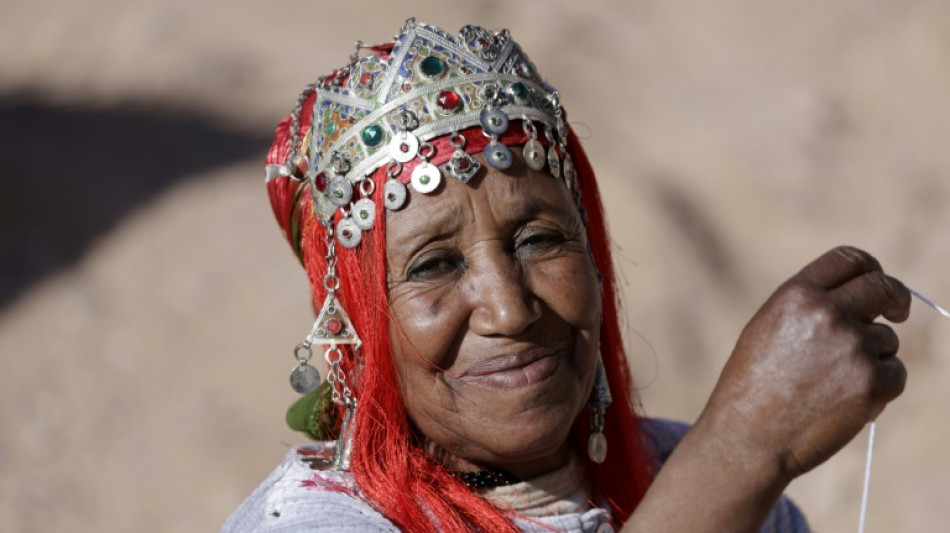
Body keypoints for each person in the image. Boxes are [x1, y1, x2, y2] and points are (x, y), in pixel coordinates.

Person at [223, 18, 909, 532]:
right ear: (352, 328)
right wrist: (743, 449)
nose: (509, 308)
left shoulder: (677, 471)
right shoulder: (311, 521)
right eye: (434, 264)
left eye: (538, 239)